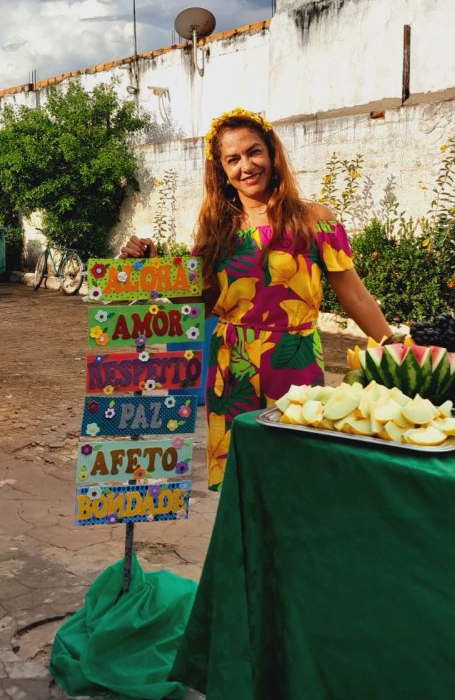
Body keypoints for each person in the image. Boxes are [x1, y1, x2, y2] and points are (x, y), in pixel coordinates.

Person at [122, 107, 394, 490]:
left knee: (296, 477)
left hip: (295, 361)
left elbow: (356, 297)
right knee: (240, 481)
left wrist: (395, 346)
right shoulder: (217, 231)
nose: (246, 166)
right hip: (230, 368)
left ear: (272, 154)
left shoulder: (314, 220)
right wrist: (147, 269)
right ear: (222, 171)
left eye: (254, 152)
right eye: (233, 159)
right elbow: (200, 303)